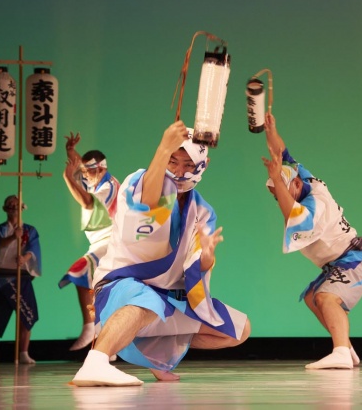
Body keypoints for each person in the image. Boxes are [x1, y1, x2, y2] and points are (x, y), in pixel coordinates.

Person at [72, 120, 251, 386]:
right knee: (146, 301)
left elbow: (195, 267)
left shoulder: (203, 212)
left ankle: (155, 357)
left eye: (188, 164)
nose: (179, 171)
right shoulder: (140, 181)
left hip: (167, 297)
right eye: (173, 161)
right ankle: (96, 362)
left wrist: (207, 257)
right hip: (121, 284)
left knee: (239, 330)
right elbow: (148, 204)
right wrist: (163, 148)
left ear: (204, 164)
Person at [261, 112, 362, 370]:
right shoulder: (302, 176)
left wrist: (277, 178)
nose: (278, 198)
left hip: (354, 259)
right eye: (274, 194)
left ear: (295, 183)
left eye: (280, 190)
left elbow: (293, 216)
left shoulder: (316, 203)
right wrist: (270, 131)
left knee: (325, 297)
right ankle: (347, 348)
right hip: (340, 262)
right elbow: (282, 153)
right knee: (313, 297)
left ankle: (341, 352)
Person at [59, 132, 120, 351]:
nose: (85, 175)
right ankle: (107, 346)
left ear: (101, 168)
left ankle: (89, 328)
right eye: (85, 171)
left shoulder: (108, 187)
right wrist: (71, 151)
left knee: (80, 271)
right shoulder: (93, 177)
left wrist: (68, 178)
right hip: (98, 243)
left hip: (112, 243)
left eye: (89, 171)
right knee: (100, 292)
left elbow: (87, 203)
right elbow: (80, 165)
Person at [0, 195, 42, 365]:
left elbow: (33, 248)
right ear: (5, 208)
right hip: (2, 278)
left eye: (17, 204)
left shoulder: (30, 230)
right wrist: (13, 237)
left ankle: (24, 352)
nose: (13, 207)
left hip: (21, 277)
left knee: (26, 316)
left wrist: (24, 258)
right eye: (10, 204)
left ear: (22, 208)